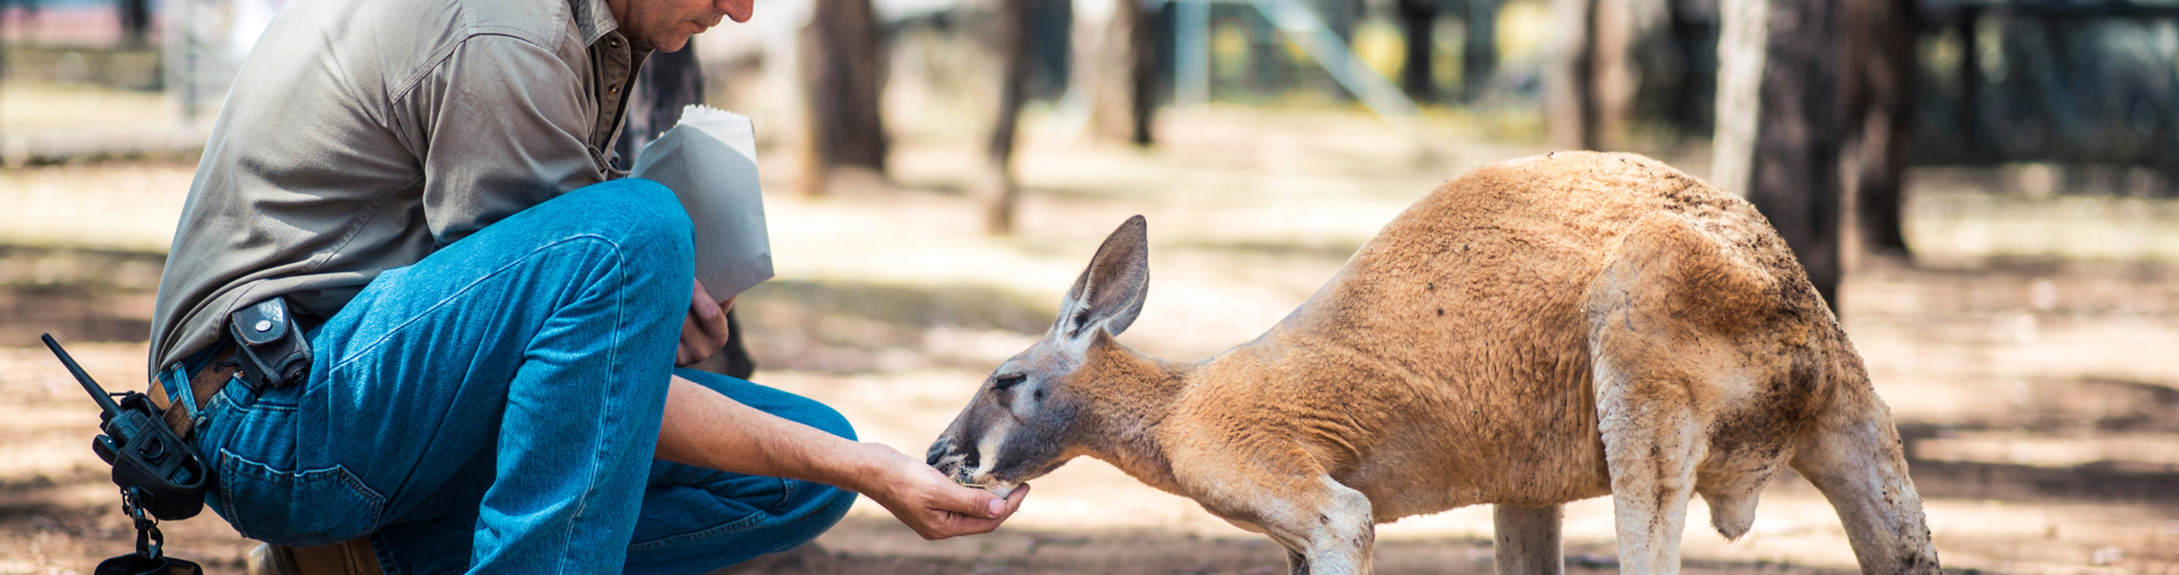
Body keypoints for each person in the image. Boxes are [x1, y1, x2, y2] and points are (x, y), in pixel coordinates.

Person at [144, 0, 1029, 572]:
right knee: (638, 233)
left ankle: (370, 559)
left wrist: (629, 318)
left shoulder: (590, 25)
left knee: (802, 463)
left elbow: (560, 376)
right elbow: (593, 278)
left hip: (363, 397)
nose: (741, 8)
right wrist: (869, 467)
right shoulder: (507, 30)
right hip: (272, 420)